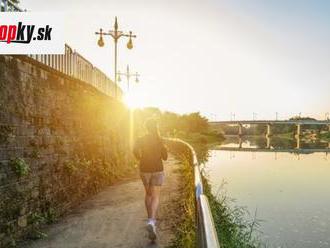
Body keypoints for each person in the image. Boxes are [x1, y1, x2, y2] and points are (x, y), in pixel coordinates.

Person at [133, 119, 168, 241]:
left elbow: (134, 151)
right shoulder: (160, 140)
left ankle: (150, 221)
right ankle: (152, 222)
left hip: (144, 169)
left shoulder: (141, 139)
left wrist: (140, 158)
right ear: (156, 127)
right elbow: (165, 157)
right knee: (155, 197)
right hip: (157, 169)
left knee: (148, 195)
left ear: (146, 127)